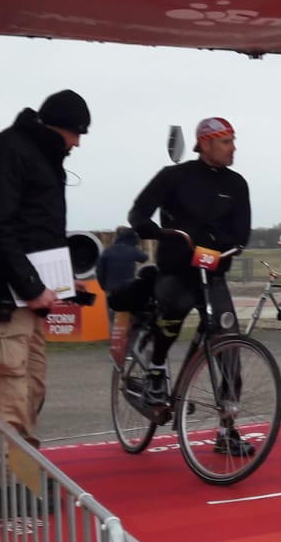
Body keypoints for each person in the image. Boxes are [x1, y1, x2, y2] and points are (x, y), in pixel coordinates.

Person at [127, 117, 253, 454]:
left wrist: (217, 245)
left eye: (233, 141)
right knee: (174, 310)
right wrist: (150, 229)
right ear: (206, 143)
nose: (233, 149)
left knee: (229, 349)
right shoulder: (174, 177)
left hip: (212, 274)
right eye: (227, 142)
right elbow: (138, 212)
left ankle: (228, 430)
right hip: (177, 270)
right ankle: (155, 372)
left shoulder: (237, 184)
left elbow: (241, 234)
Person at [0, 88, 91, 447]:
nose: (77, 144)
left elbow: (36, 234)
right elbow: (0, 227)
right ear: (61, 128)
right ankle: (5, 487)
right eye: (78, 133)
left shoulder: (41, 157)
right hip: (5, 303)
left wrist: (62, 284)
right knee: (7, 393)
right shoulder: (13, 151)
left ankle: (19, 476)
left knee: (31, 388)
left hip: (28, 302)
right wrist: (31, 286)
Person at [96, 225, 147, 319]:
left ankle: (112, 333)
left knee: (111, 317)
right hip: (129, 288)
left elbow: (99, 271)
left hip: (110, 288)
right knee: (129, 316)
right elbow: (144, 258)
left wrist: (103, 286)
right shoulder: (133, 250)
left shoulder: (108, 251)